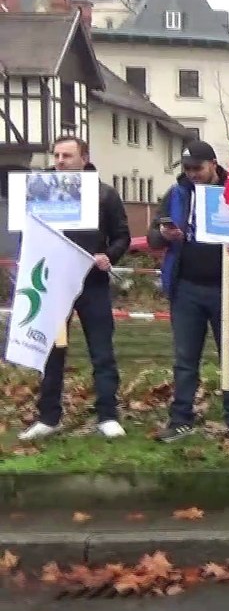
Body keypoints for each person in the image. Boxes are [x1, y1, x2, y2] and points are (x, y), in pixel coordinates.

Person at [146, 140, 229, 446]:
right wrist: (164, 234)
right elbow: (152, 237)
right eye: (187, 169)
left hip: (227, 289)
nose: (192, 174)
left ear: (213, 164)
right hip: (186, 290)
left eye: (197, 168)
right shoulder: (176, 195)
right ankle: (180, 419)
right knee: (185, 358)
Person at [18, 135, 130, 441]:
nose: (60, 161)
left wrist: (110, 256)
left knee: (102, 352)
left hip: (91, 285)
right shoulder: (39, 193)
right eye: (56, 155)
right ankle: (48, 417)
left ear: (84, 158)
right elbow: (27, 233)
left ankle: (108, 415)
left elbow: (122, 236)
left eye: (67, 156)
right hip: (54, 287)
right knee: (53, 352)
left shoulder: (104, 195)